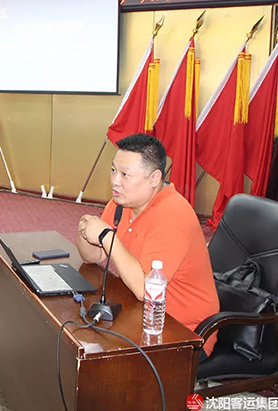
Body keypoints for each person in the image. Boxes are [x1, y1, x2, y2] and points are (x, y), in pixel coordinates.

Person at [77, 133, 219, 356]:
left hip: (183, 333)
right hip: (138, 313)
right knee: (78, 336)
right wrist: (85, 232)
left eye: (125, 174)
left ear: (154, 178)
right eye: (113, 170)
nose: (115, 180)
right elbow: (92, 257)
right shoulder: (122, 202)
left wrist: (107, 237)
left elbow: (146, 290)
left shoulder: (172, 217)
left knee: (97, 355)